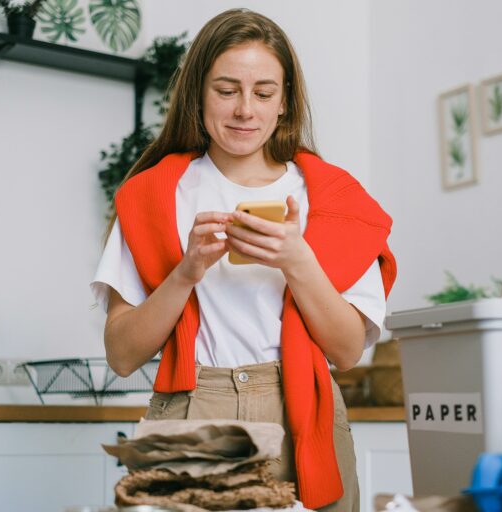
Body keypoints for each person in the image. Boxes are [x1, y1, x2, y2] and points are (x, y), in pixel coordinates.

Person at [91, 8, 396, 511]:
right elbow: (122, 356)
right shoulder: (152, 196)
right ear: (198, 94)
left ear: (285, 103)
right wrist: (185, 272)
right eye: (226, 90)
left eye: (264, 93)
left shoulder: (334, 200)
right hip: (193, 409)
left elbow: (345, 352)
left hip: (303, 413)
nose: (245, 111)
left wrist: (298, 261)